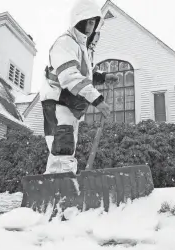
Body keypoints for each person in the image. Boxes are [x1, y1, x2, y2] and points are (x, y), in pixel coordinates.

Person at [39, 0, 119, 174]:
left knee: (67, 147)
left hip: (70, 104)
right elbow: (69, 76)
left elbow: (83, 75)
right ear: (79, 21)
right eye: (88, 22)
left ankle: (61, 186)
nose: (90, 27)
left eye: (93, 23)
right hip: (57, 101)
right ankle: (59, 188)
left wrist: (103, 77)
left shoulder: (82, 48)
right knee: (62, 145)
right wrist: (98, 100)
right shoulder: (65, 43)